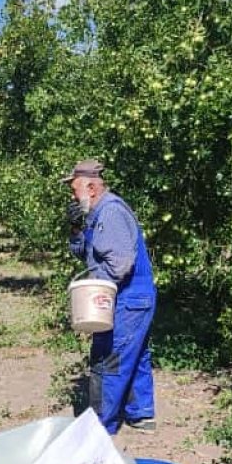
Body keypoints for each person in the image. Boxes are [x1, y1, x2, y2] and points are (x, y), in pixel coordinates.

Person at [62, 159, 157, 435]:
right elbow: (85, 253)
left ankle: (101, 426)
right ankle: (141, 415)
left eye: (74, 189)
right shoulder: (95, 213)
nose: (72, 195)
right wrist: (76, 229)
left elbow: (120, 265)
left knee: (109, 357)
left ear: (91, 188)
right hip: (133, 297)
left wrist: (93, 289)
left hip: (129, 297)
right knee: (136, 354)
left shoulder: (111, 213)